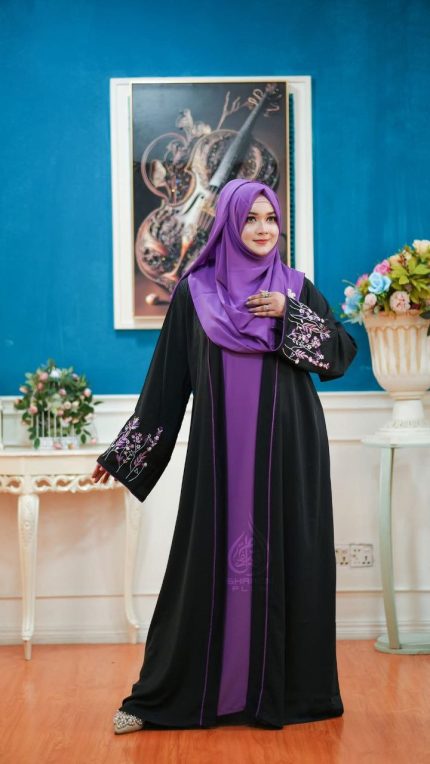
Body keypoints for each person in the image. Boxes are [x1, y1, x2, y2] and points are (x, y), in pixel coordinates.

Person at [92, 178, 357, 734]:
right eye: (250, 219)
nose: (263, 229)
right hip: (220, 459)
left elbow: (339, 355)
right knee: (204, 567)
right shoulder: (196, 294)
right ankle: (171, 696)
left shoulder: (295, 288)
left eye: (271, 219)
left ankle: (290, 694)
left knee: (291, 560)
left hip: (290, 455)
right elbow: (166, 384)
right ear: (229, 225)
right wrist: (123, 455)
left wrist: (290, 314)